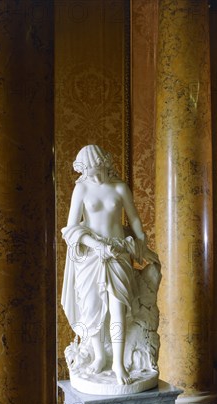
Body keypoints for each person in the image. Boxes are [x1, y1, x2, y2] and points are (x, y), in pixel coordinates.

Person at [61, 145, 159, 385]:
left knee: (118, 307)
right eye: (91, 172)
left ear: (106, 163)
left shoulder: (119, 187)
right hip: (92, 257)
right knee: (92, 309)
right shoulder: (81, 189)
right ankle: (99, 357)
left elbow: (134, 219)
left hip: (118, 253)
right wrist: (96, 245)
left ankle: (117, 362)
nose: (96, 177)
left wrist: (141, 243)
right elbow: (71, 228)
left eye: (99, 170)